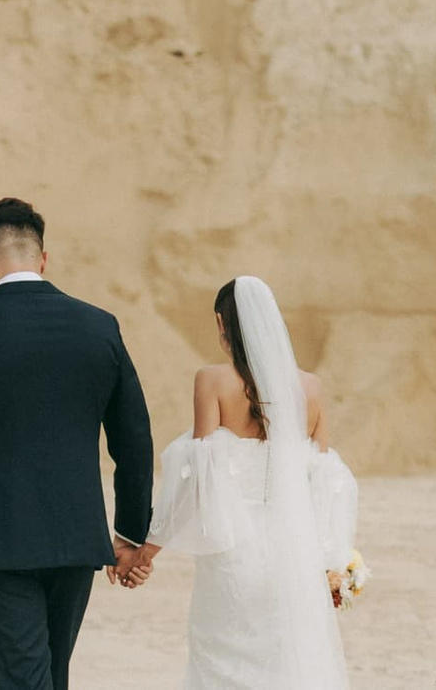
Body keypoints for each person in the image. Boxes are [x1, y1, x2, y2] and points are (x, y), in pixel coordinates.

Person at [0, 197, 154, 690]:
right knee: (49, 677)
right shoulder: (99, 326)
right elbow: (134, 438)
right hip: (78, 537)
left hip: (1, 541)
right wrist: (129, 531)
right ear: (43, 258)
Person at [124, 276, 359, 690]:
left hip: (232, 557)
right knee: (288, 666)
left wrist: (146, 551)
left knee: (221, 664)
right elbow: (326, 487)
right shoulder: (311, 389)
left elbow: (198, 480)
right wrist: (331, 563)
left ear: (221, 322)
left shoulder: (212, 381)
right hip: (294, 556)